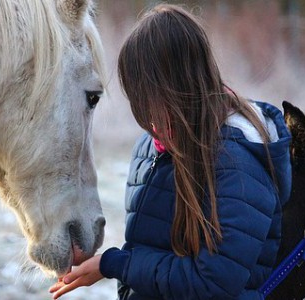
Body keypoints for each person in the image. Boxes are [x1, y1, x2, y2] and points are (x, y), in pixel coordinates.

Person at [49, 4, 292, 300]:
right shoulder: (150, 148)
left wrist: (113, 264)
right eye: (138, 99)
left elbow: (211, 284)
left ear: (181, 87)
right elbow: (149, 249)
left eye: (151, 98)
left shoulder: (238, 165)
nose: (148, 117)